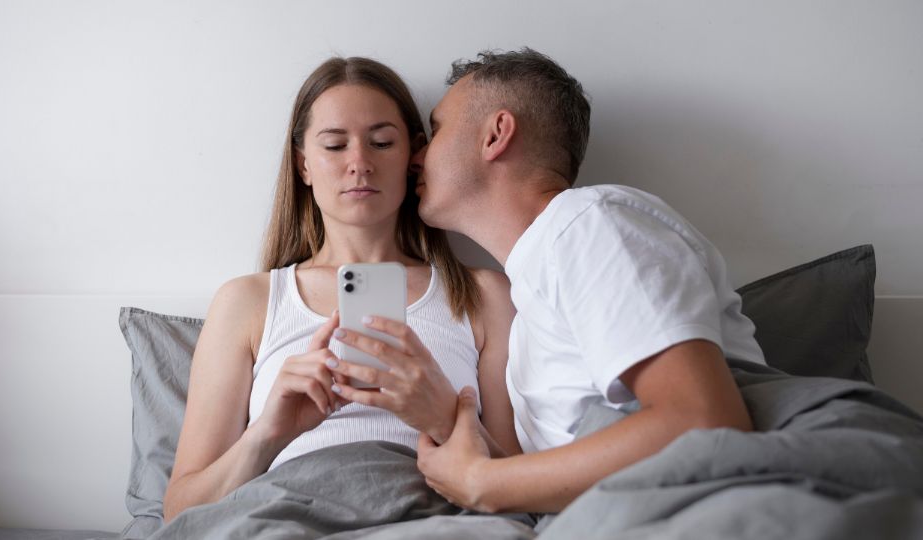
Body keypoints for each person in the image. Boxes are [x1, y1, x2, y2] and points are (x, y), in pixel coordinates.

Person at [161, 56, 521, 522]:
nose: (360, 164)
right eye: (334, 145)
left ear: (413, 158)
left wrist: (446, 418)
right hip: (285, 516)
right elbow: (180, 512)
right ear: (303, 165)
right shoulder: (246, 303)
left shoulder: (484, 296)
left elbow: (519, 488)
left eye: (382, 142)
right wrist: (268, 433)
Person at [412, 48, 766, 514]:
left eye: (436, 130)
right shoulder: (529, 306)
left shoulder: (588, 223)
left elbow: (704, 422)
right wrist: (447, 424)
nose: (417, 157)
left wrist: (481, 482)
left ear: (495, 135)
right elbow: (554, 480)